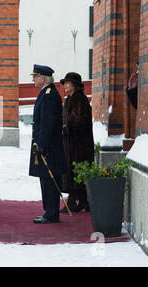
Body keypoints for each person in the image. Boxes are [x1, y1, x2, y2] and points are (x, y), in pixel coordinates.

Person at [29, 64, 66, 224]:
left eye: (35, 77)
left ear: (42, 78)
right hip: (47, 145)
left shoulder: (48, 95)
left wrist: (41, 144)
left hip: (48, 147)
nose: (33, 80)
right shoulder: (46, 93)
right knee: (46, 179)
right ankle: (49, 211)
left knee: (49, 180)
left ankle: (51, 213)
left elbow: (48, 123)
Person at [59, 72, 94, 213]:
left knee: (75, 170)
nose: (65, 86)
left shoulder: (80, 99)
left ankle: (74, 202)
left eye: (68, 83)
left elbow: (82, 120)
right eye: (65, 83)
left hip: (79, 144)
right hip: (72, 142)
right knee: (74, 171)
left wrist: (68, 126)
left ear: (75, 85)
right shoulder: (71, 99)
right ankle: (84, 202)